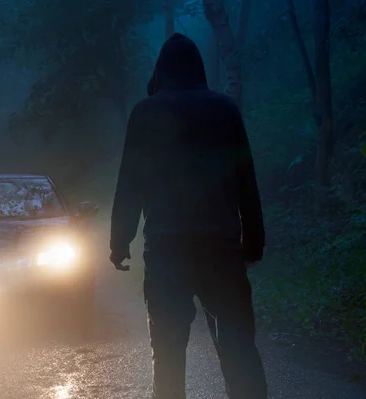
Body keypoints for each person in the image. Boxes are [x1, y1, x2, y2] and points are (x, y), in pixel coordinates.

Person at [109, 33, 268, 399]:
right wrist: (254, 241)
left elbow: (130, 183)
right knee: (238, 346)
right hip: (221, 247)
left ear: (161, 70)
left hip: (167, 249)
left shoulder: (145, 112)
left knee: (167, 351)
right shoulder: (224, 109)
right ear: (197, 68)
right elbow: (246, 180)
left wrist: (120, 242)